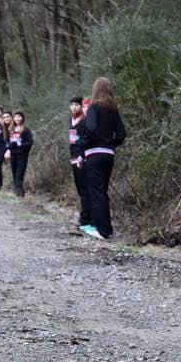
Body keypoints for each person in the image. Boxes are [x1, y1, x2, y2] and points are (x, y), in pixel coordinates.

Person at [80, 77, 127, 240]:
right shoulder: (114, 110)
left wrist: (83, 142)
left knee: (96, 191)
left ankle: (102, 230)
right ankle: (106, 227)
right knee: (102, 190)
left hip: (94, 154)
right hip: (108, 155)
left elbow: (91, 129)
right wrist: (110, 144)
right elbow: (122, 134)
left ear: (95, 90)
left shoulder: (93, 107)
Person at [68, 96, 91, 228]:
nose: (74, 107)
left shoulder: (85, 121)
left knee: (85, 188)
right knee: (80, 188)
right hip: (73, 156)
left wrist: (81, 157)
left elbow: (85, 141)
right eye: (71, 104)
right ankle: (85, 215)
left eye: (77, 105)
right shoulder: (71, 120)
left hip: (82, 158)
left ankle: (85, 218)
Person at [4, 110, 33, 197]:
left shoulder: (26, 130)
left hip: (22, 155)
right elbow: (7, 141)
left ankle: (19, 194)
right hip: (13, 154)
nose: (18, 118)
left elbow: (29, 142)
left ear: (22, 118)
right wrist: (8, 149)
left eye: (19, 116)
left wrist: (19, 144)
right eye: (16, 117)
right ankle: (18, 192)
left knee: (19, 174)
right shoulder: (11, 129)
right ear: (13, 118)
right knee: (14, 173)